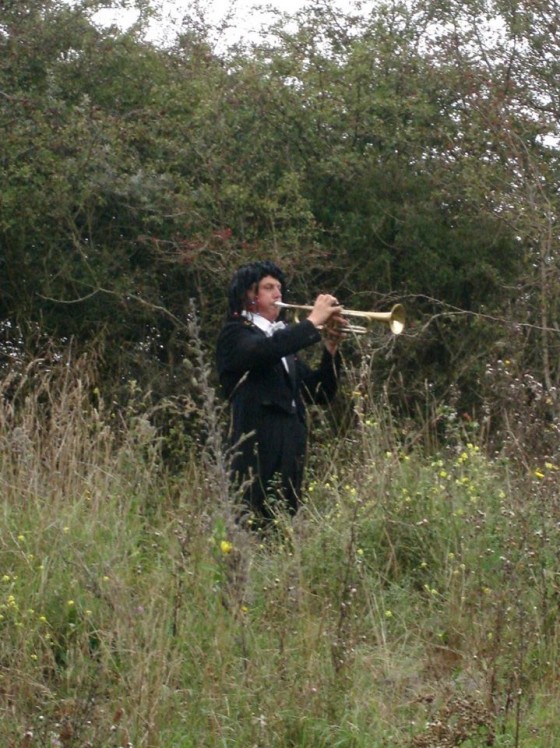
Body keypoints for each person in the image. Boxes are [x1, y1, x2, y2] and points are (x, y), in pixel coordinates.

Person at [216, 260, 344, 524]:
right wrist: (312, 323)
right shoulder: (235, 333)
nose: (278, 294)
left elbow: (320, 393)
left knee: (283, 529)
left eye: (279, 288)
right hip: (256, 453)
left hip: (290, 453)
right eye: (268, 288)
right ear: (249, 294)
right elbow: (264, 351)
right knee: (252, 524)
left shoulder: (282, 342)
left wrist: (330, 350)